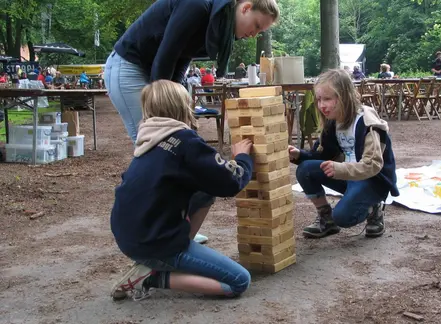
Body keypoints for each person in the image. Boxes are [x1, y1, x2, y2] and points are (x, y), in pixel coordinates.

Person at [104, 0, 279, 244]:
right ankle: (155, 237)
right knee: (158, 150)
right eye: (257, 25)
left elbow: (181, 60)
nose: (254, 34)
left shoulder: (217, 27)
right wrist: (164, 108)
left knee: (177, 150)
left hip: (157, 71)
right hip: (131, 67)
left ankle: (176, 228)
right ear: (246, 7)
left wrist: (179, 104)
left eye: (260, 32)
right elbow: (166, 54)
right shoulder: (198, 6)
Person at [109, 80, 254, 301]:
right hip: (154, 242)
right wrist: (242, 158)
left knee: (205, 192)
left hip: (130, 235)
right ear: (182, 106)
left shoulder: (148, 137)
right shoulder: (184, 141)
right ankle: (152, 277)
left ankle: (174, 252)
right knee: (238, 281)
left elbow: (207, 179)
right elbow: (230, 182)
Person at [288, 69, 399, 238]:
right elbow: (321, 155)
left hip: (371, 180)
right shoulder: (333, 121)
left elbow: (373, 164)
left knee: (342, 217)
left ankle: (373, 209)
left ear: (344, 96)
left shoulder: (366, 122)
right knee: (305, 169)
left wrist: (340, 169)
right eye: (319, 99)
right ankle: (326, 219)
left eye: (327, 99)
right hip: (348, 176)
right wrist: (299, 155)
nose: (321, 105)